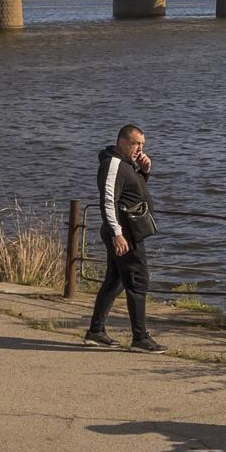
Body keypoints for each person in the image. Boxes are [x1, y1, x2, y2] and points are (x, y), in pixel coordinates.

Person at [85, 124, 165, 353]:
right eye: (135, 143)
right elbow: (108, 201)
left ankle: (96, 331)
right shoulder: (113, 164)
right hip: (124, 233)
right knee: (138, 281)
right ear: (122, 142)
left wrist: (144, 171)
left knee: (116, 280)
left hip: (128, 232)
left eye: (142, 144)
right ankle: (140, 338)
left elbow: (133, 194)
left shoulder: (127, 164)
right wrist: (117, 233)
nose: (139, 148)